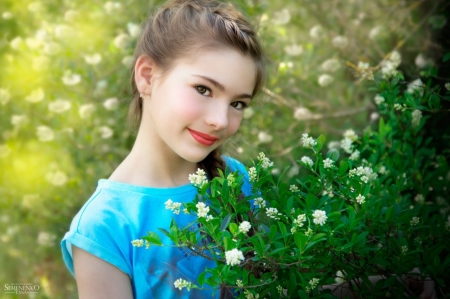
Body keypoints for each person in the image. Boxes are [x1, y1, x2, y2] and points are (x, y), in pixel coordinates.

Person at [60, 0, 264, 298]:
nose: (220, 121)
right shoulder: (103, 228)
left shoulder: (235, 180)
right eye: (203, 89)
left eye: (237, 104)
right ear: (147, 76)